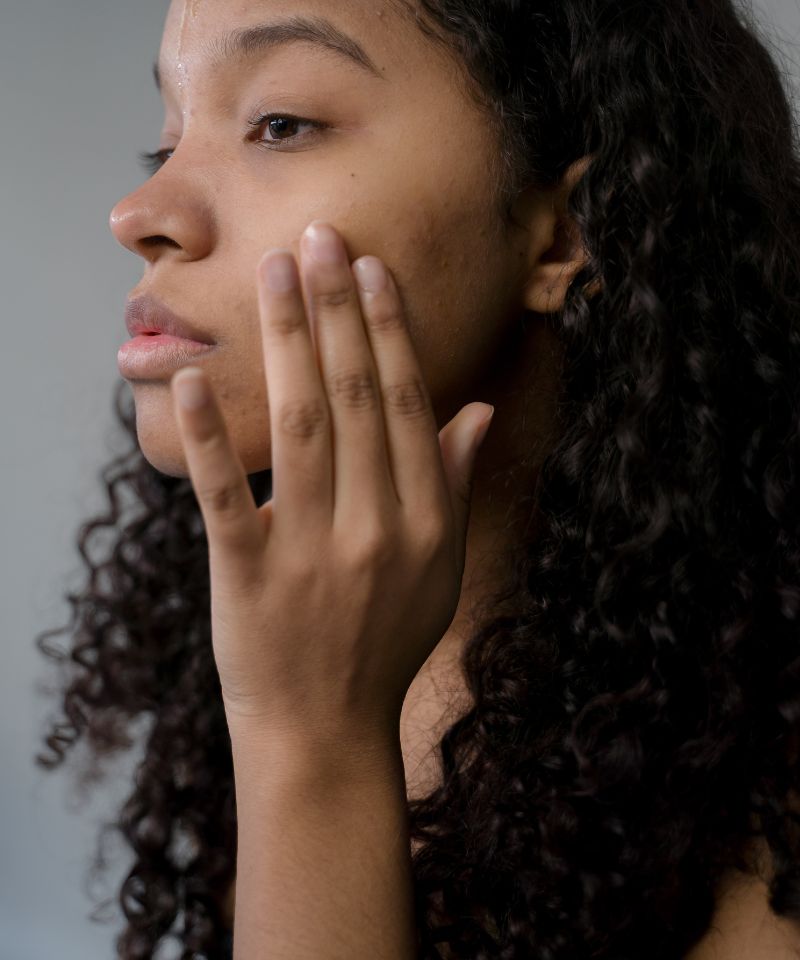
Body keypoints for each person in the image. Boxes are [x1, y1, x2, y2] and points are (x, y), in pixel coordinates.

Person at [34, 0, 800, 957]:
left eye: (280, 124)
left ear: (570, 231)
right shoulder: (244, 667)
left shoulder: (763, 806)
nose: (139, 214)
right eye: (167, 142)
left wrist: (310, 747)